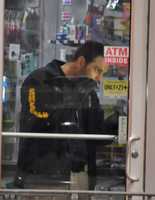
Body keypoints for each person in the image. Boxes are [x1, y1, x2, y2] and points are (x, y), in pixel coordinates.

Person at [15, 41, 109, 189]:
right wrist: (79, 91)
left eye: (102, 73)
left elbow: (95, 131)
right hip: (39, 175)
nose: (99, 78)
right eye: (97, 70)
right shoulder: (40, 80)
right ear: (81, 62)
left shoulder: (87, 92)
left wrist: (119, 124)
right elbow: (40, 121)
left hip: (72, 174)